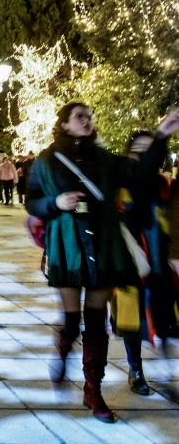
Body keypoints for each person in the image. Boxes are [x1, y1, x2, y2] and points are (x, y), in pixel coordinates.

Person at [26, 102, 179, 423]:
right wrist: (55, 201)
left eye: (89, 116)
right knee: (70, 320)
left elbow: (139, 174)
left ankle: (92, 390)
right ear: (65, 124)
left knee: (95, 321)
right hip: (67, 245)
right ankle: (63, 350)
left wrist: (161, 135)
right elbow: (33, 201)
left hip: (105, 245)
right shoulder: (46, 161)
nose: (87, 120)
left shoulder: (105, 158)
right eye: (79, 116)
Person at [114, 131, 178, 399]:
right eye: (136, 152)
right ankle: (135, 369)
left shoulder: (165, 186)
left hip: (162, 262)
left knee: (165, 320)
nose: (141, 158)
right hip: (130, 264)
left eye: (148, 152)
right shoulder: (120, 189)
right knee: (133, 320)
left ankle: (167, 373)